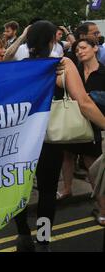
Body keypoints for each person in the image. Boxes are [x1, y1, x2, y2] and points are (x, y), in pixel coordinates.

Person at [13, 21, 105, 252]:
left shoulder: (19, 67)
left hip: (21, 140)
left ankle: (23, 234)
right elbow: (83, 102)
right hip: (49, 139)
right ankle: (43, 240)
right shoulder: (61, 65)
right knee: (46, 192)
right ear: (53, 41)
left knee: (18, 192)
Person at [57, 38, 105, 200]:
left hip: (95, 124)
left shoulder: (103, 72)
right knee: (67, 156)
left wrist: (92, 97)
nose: (80, 52)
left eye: (84, 48)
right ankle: (67, 189)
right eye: (77, 50)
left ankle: (102, 208)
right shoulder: (73, 71)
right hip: (73, 121)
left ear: (95, 49)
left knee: (92, 165)